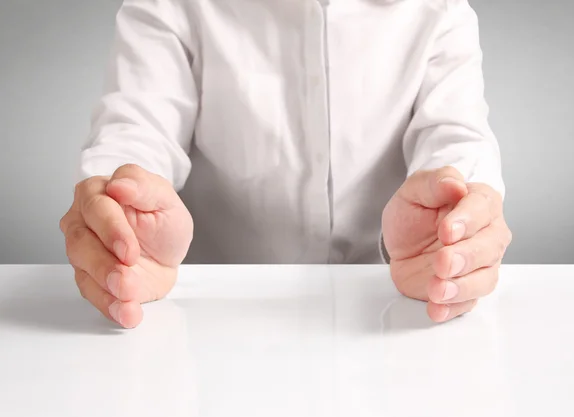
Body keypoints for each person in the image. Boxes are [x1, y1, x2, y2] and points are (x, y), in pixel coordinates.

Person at [59, 0, 512, 329]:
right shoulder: (173, 6)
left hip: (386, 313)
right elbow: (137, 130)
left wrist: (458, 218)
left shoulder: (441, 12)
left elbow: (456, 138)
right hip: (207, 322)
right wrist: (122, 207)